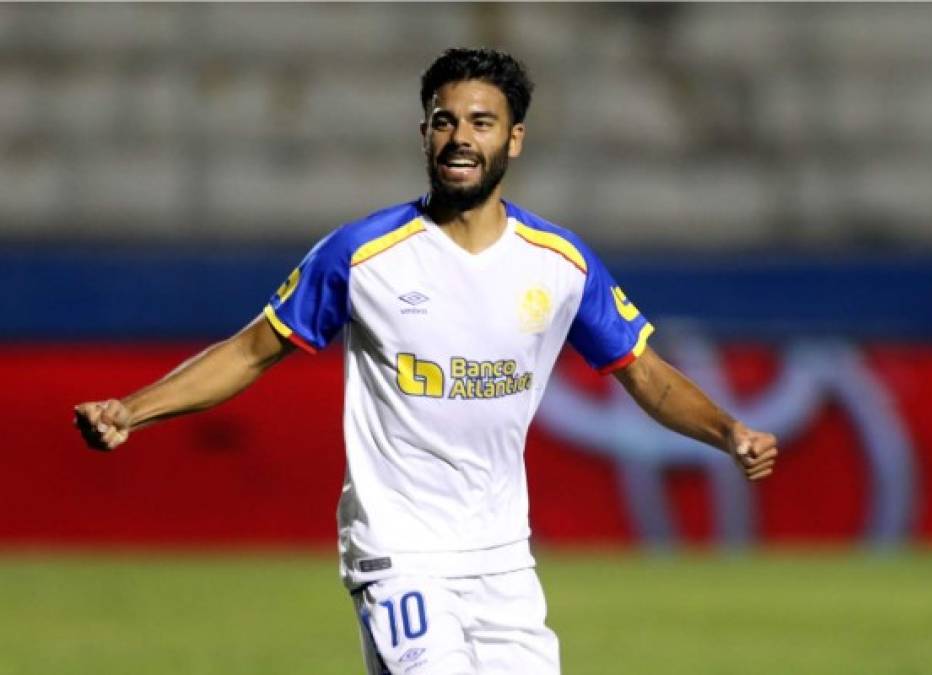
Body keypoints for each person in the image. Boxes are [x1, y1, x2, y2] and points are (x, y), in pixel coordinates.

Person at [74, 47, 778, 675]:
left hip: (503, 556)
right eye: (444, 121)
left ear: (514, 138)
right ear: (423, 134)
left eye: (480, 122)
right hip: (399, 553)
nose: (460, 138)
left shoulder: (560, 264)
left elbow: (644, 372)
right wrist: (133, 409)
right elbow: (251, 349)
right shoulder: (362, 254)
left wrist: (727, 431)